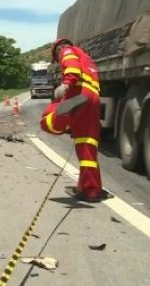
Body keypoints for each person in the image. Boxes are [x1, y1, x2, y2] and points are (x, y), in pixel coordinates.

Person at [39, 38, 109, 202]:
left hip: (78, 93)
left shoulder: (67, 50)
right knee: (87, 146)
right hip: (93, 98)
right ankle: (91, 188)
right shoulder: (86, 57)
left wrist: (66, 84)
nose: (59, 59)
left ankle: (61, 118)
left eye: (57, 58)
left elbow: (72, 67)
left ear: (58, 50)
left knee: (46, 121)